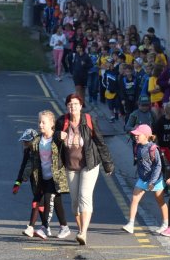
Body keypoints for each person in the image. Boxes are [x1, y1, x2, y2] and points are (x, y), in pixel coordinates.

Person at [57, 94, 115, 246]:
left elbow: (100, 142)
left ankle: (83, 232)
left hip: (89, 165)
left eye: (75, 104)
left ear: (81, 106)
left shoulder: (89, 120)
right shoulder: (61, 121)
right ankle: (80, 229)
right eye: (70, 104)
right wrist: (58, 135)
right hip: (71, 166)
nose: (72, 107)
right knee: (75, 202)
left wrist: (107, 163)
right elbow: (52, 139)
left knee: (84, 196)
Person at [30, 110, 71, 240]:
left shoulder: (56, 138)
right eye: (39, 122)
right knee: (57, 202)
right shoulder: (37, 140)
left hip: (56, 177)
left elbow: (63, 137)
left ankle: (44, 227)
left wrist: (61, 135)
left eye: (43, 122)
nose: (40, 125)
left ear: (52, 123)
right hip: (43, 177)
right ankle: (64, 227)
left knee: (48, 199)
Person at [122, 124, 169, 235]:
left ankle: (165, 224)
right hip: (143, 179)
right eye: (135, 135)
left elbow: (158, 166)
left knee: (160, 201)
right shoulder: (137, 146)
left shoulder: (153, 148)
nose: (136, 137)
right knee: (134, 199)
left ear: (146, 136)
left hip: (155, 180)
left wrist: (152, 181)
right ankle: (131, 224)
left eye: (138, 135)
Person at [12, 128, 43, 237]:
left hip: (44, 178)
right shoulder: (27, 150)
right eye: (24, 141)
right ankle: (45, 227)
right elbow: (23, 166)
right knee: (40, 203)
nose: (24, 143)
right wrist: (17, 183)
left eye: (26, 141)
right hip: (33, 180)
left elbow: (30, 166)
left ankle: (32, 227)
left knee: (38, 201)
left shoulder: (40, 148)